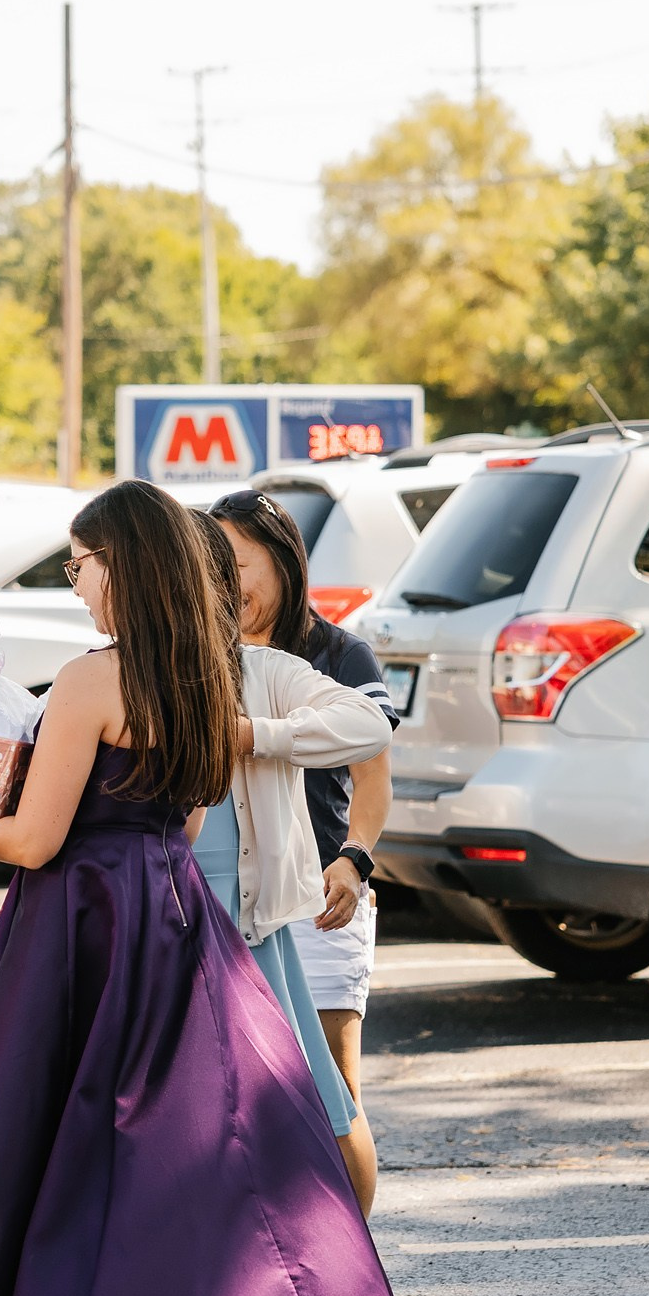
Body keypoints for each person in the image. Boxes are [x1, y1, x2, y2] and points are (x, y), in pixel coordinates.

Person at [0, 480, 450, 1296]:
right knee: (223, 1172)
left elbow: (34, 841)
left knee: (71, 1171)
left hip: (86, 930)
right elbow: (187, 823)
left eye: (81, 562)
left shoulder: (90, 680)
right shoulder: (203, 677)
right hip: (178, 921)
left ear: (123, 565)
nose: (75, 581)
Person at [189, 514, 388, 1212]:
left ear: (283, 561)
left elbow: (372, 769)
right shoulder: (197, 655)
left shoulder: (333, 654)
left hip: (321, 896)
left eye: (239, 561)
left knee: (331, 1089)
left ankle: (355, 1251)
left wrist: (354, 860)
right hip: (237, 905)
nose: (226, 580)